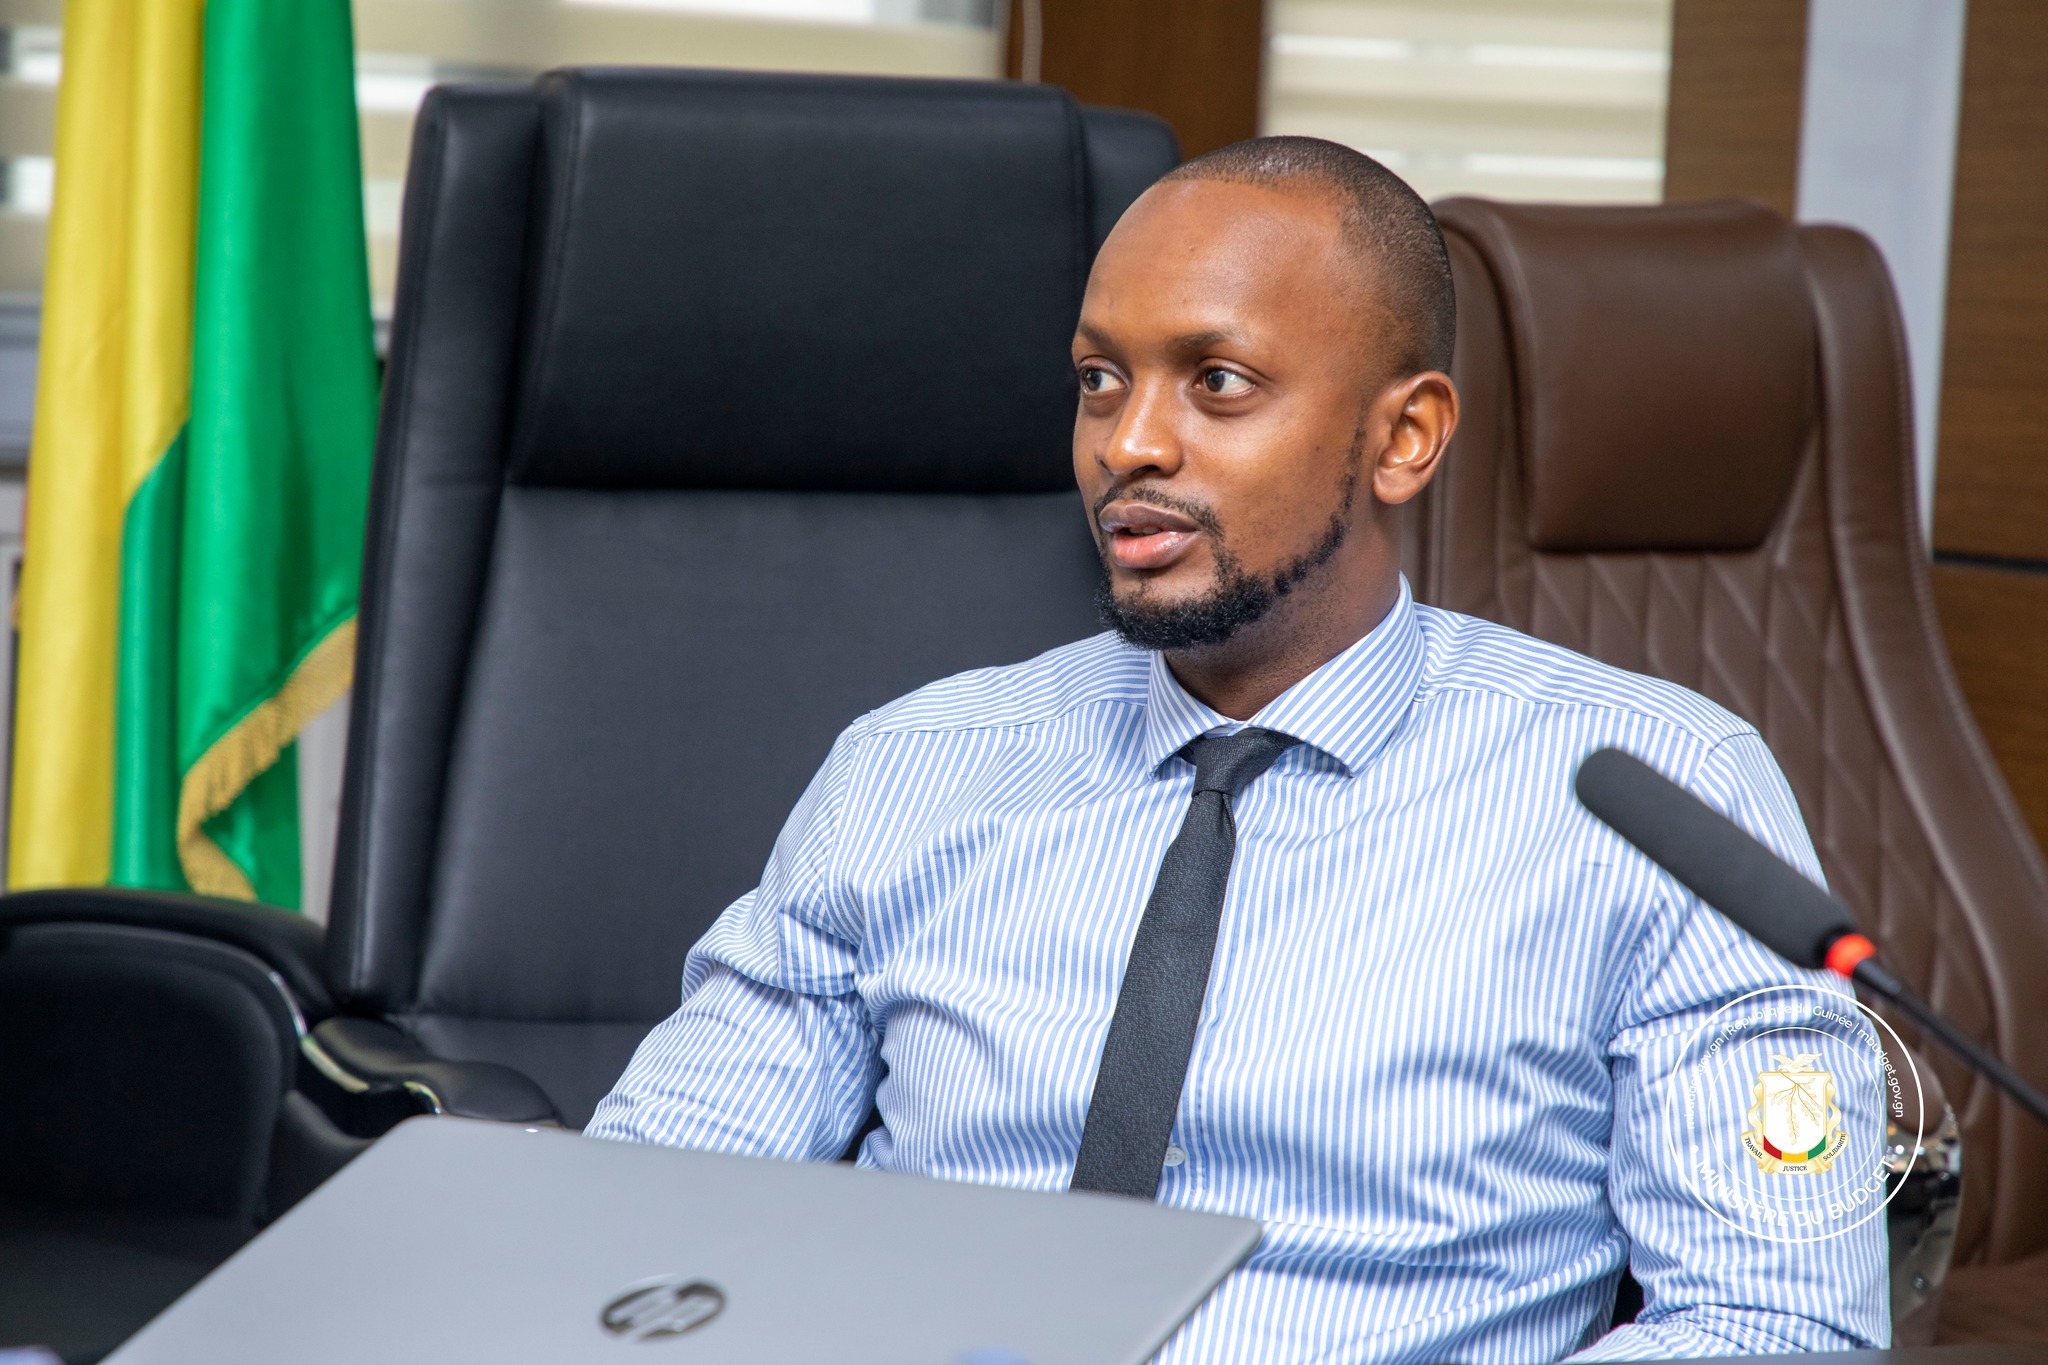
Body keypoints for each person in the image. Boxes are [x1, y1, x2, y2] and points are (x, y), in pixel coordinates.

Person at [588, 136, 1887, 1362]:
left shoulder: (1664, 794)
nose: (1129, 444)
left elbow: (1773, 1320)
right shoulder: (912, 769)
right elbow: (641, 1210)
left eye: (1217, 382)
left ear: (1404, 437)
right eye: (1100, 380)